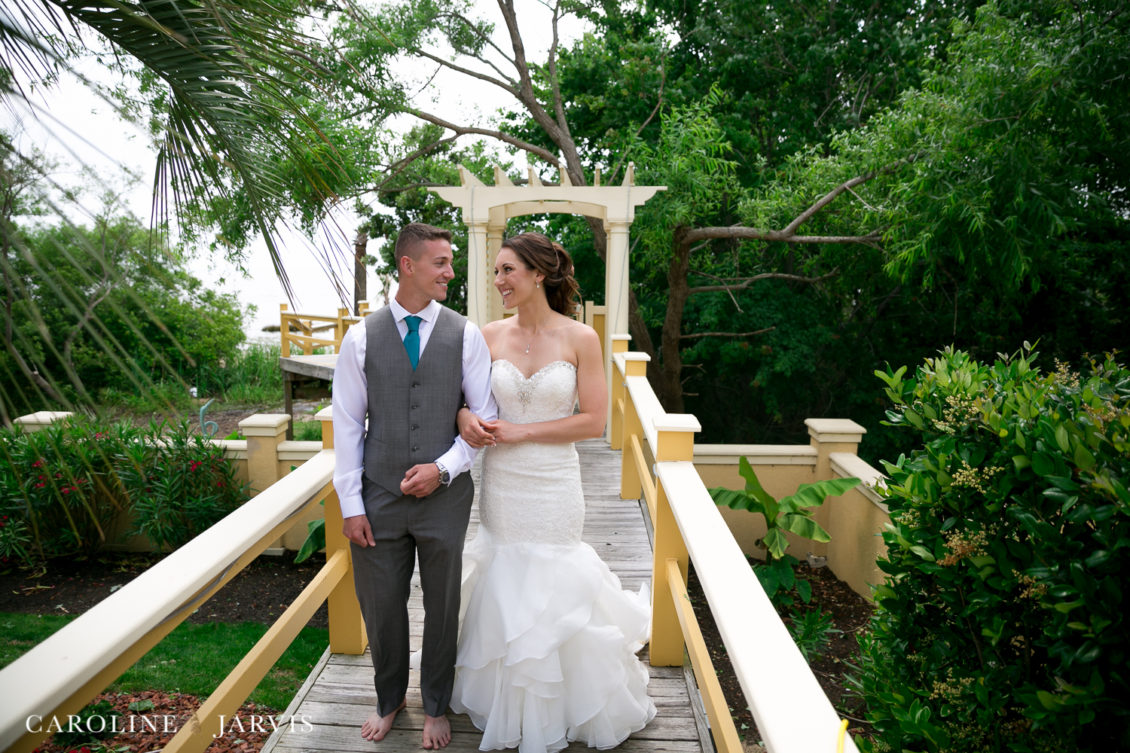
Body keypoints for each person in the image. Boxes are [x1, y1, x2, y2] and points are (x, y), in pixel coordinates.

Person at [452, 232, 657, 753]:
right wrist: (464, 417)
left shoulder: (579, 339)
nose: (498, 281)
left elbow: (593, 421)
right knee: (504, 568)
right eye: (495, 272)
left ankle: (569, 701)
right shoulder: (486, 335)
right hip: (501, 483)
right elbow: (463, 402)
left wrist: (521, 432)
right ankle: (508, 699)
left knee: (554, 570)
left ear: (538, 273)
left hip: (553, 482)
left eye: (507, 271)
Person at [332, 222, 496, 750]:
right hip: (378, 495)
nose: (451, 272)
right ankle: (389, 700)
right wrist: (352, 505)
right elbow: (346, 426)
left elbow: (484, 421)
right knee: (380, 605)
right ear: (408, 266)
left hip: (445, 496)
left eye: (450, 262)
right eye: (441, 263)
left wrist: (441, 470)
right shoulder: (360, 337)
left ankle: (436, 705)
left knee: (442, 605)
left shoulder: (465, 333)